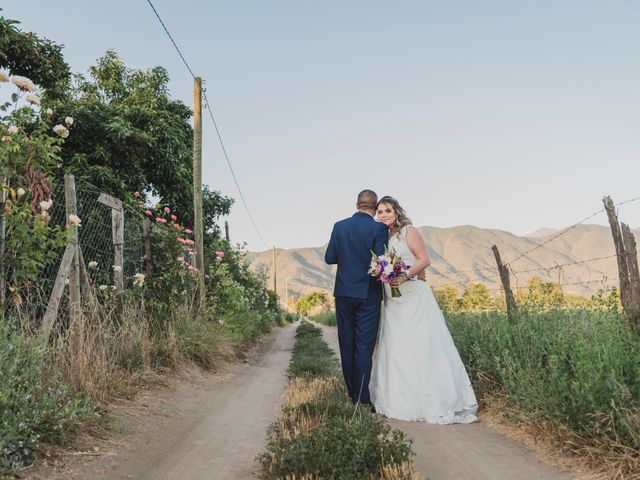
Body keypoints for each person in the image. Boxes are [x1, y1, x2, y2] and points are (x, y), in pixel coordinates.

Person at [371, 196, 478, 424]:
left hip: (413, 295)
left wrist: (403, 275)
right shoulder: (382, 237)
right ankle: (399, 400)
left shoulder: (409, 232)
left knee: (422, 344)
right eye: (379, 212)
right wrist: (384, 274)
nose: (382, 215)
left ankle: (435, 400)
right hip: (393, 298)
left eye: (387, 210)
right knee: (397, 347)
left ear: (396, 212)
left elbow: (424, 260)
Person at [324, 189, 389, 409]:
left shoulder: (339, 226)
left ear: (356, 204)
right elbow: (381, 262)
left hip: (343, 292)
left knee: (347, 344)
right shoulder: (379, 228)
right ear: (374, 206)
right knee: (364, 347)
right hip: (368, 294)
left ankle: (352, 395)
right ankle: (362, 398)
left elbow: (329, 257)